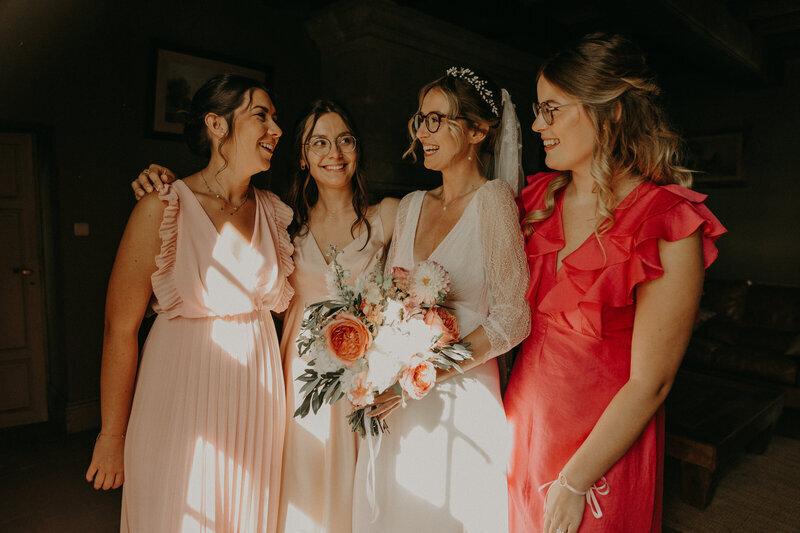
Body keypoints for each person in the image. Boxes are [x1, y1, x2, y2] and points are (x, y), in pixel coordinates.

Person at [130, 99, 399, 533]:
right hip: (296, 379)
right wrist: (158, 179)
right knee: (298, 492)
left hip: (365, 378)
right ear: (303, 157)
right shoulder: (285, 224)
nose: (335, 153)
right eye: (320, 142)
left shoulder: (388, 216)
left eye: (345, 140)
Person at [504, 33, 726, 533]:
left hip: (598, 452)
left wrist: (576, 481)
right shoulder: (537, 200)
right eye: (537, 110)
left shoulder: (668, 221)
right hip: (522, 426)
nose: (538, 124)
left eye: (552, 109)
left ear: (612, 112)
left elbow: (653, 381)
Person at [86, 74, 294, 533]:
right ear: (217, 125)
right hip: (178, 395)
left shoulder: (274, 212)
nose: (277, 129)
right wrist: (111, 435)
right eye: (262, 115)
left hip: (257, 402)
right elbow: (119, 328)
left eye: (276, 118)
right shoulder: (163, 206)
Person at [350, 67, 530, 532]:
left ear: (476, 130)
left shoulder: (492, 201)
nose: (423, 132)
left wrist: (424, 374)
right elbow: (384, 297)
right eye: (421, 119)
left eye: (437, 120)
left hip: (461, 399)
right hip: (397, 401)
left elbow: (513, 317)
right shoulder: (409, 204)